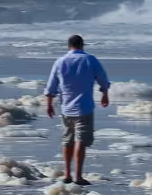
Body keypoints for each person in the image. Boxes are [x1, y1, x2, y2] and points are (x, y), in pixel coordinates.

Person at [45, 34, 110, 186]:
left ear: (69, 46)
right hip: (84, 107)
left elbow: (51, 85)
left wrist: (49, 104)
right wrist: (105, 94)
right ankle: (78, 176)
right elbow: (102, 79)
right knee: (80, 141)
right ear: (82, 45)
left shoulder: (60, 61)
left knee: (67, 141)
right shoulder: (90, 60)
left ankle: (67, 174)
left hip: (66, 107)